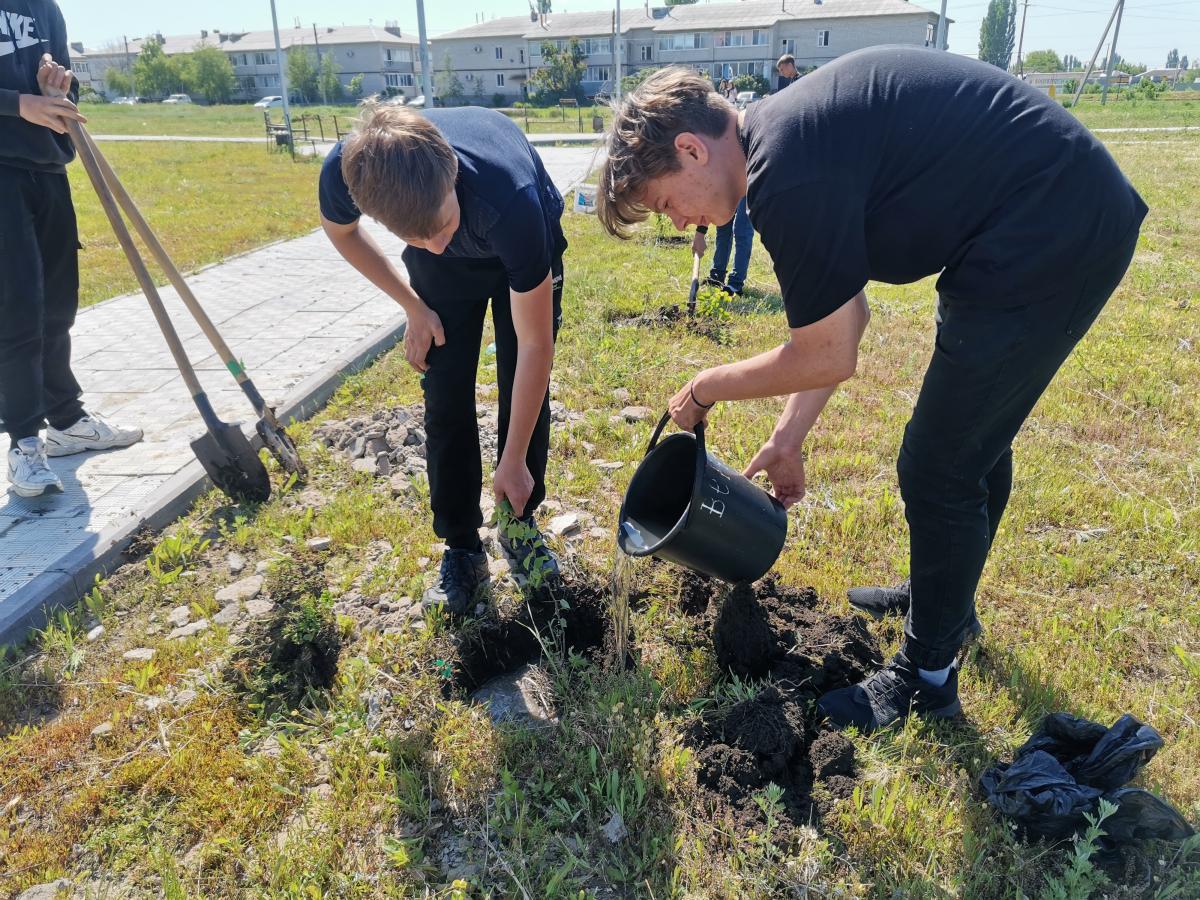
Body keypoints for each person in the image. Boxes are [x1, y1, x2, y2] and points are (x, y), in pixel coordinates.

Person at [596, 49, 1146, 732]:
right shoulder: (789, 144)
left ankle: (926, 676)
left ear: (691, 150)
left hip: (1049, 227)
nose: (681, 223)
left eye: (666, 202)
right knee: (971, 442)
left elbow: (828, 352)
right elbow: (847, 316)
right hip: (1035, 220)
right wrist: (787, 438)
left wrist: (707, 387)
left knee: (939, 464)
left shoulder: (785, 170)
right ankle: (942, 602)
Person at [319, 102, 567, 615]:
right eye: (415, 238)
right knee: (445, 393)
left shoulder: (510, 199)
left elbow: (536, 346)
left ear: (452, 174)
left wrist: (513, 457)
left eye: (444, 223)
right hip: (447, 280)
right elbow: (341, 233)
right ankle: (462, 547)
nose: (435, 243)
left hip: (513, 244)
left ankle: (519, 520)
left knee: (522, 373)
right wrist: (413, 306)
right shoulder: (350, 170)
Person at [1, 2, 143, 499]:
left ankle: (66, 421)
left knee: (59, 304)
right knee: (17, 309)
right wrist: (17, 103)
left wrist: (56, 93)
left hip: (48, 166)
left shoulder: (43, 7)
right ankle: (23, 443)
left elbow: (66, 89)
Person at [692, 195, 754, 296]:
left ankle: (735, 284)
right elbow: (710, 199)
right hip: (730, 184)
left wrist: (700, 233)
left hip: (749, 183)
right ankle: (717, 276)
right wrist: (700, 233)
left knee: (742, 229)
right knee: (723, 225)